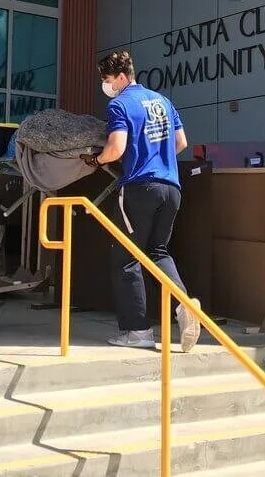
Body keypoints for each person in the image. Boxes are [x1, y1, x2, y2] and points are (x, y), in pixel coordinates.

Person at [82, 50, 201, 352]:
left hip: (139, 188)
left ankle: (137, 332)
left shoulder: (120, 104)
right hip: (171, 188)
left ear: (121, 77)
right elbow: (181, 142)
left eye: (108, 79)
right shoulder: (163, 101)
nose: (107, 85)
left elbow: (116, 148)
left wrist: (96, 160)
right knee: (157, 251)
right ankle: (184, 304)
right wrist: (157, 158)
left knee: (125, 258)